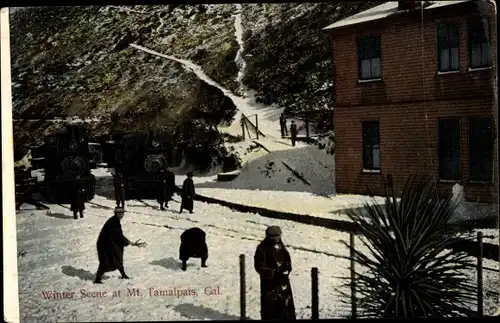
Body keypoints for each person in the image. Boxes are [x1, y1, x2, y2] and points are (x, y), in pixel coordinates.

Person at [94, 207, 146, 284]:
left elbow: (118, 235)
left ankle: (123, 275)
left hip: (110, 243)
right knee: (105, 261)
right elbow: (118, 235)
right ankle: (97, 279)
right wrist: (129, 242)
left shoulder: (115, 220)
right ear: (116, 213)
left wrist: (128, 242)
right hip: (104, 245)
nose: (122, 215)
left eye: (123, 213)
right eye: (120, 213)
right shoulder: (114, 222)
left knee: (117, 258)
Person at [254, 226, 296, 320]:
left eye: (279, 235)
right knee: (272, 308)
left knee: (286, 306)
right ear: (270, 236)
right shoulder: (262, 248)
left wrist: (287, 268)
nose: (279, 237)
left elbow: (287, 259)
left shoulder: (281, 245)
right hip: (270, 285)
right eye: (277, 236)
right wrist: (273, 273)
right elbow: (259, 266)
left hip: (283, 282)